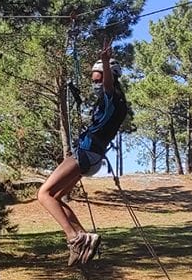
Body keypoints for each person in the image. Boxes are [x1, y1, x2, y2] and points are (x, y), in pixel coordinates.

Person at [37, 42, 128, 265]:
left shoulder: (112, 97)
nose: (95, 83)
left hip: (87, 153)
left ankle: (74, 238)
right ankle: (84, 237)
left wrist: (105, 62)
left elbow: (107, 85)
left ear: (110, 77)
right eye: (94, 80)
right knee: (56, 198)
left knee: (44, 194)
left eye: (98, 79)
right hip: (92, 155)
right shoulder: (115, 102)